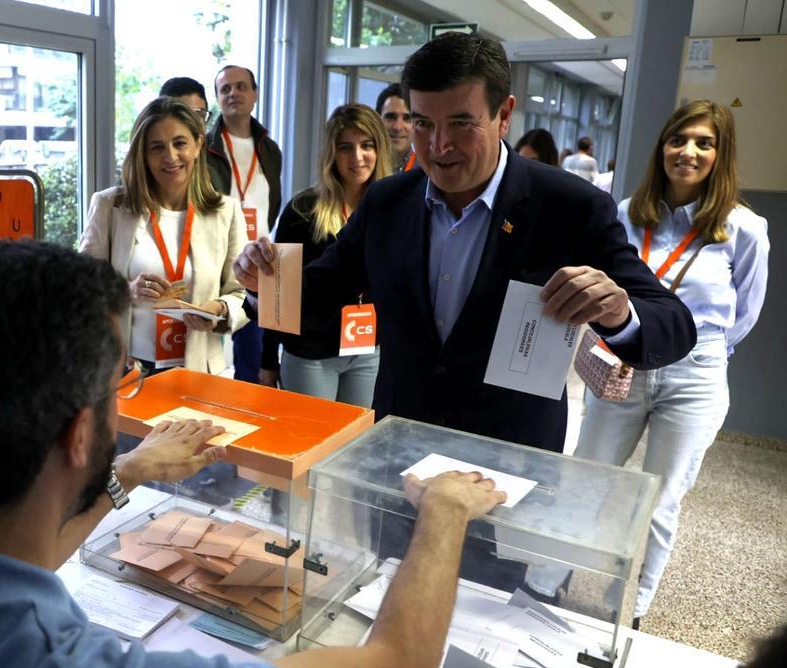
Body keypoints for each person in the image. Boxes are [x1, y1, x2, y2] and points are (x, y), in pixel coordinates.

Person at [0, 237, 510, 668]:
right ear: (82, 432)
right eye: (115, 382)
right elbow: (395, 663)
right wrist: (443, 511)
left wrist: (129, 471)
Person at [234, 31, 696, 454]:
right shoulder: (388, 203)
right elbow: (319, 295)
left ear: (504, 116)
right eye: (422, 123)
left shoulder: (569, 207)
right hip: (399, 445)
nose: (438, 145)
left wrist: (618, 312)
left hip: (508, 458)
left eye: (460, 123)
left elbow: (673, 323)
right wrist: (262, 283)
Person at [569, 100, 769, 625]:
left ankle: (628, 611)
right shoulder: (627, 213)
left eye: (704, 143)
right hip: (624, 361)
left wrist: (701, 353)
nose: (688, 152)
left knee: (660, 499)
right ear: (662, 147)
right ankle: (545, 581)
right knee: (586, 479)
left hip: (695, 371)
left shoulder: (743, 229)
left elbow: (743, 313)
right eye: (679, 140)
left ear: (720, 156)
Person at [80, 96, 247, 374]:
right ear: (143, 155)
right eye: (156, 147)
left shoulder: (225, 211)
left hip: (198, 369)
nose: (170, 157)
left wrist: (218, 309)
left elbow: (241, 293)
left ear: (198, 145)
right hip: (127, 370)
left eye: (180, 143)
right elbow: (82, 287)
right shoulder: (111, 206)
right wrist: (127, 290)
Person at [259, 104, 391, 406]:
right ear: (332, 153)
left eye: (367, 145)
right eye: (346, 147)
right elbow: (277, 293)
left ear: (379, 149)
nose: (357, 157)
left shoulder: (390, 207)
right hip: (310, 352)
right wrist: (268, 360)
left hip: (367, 349)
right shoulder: (302, 211)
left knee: (356, 445)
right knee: (313, 450)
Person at [207, 64, 283, 383]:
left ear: (254, 95)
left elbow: (273, 201)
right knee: (208, 345)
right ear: (217, 97)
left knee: (253, 349)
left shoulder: (269, 148)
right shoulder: (205, 149)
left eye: (240, 87)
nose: (233, 93)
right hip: (217, 257)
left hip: (257, 261)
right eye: (225, 89)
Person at [375, 83, 415, 173]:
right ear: (377, 120)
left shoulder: (428, 173)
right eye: (391, 117)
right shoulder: (362, 167)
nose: (398, 127)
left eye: (407, 118)